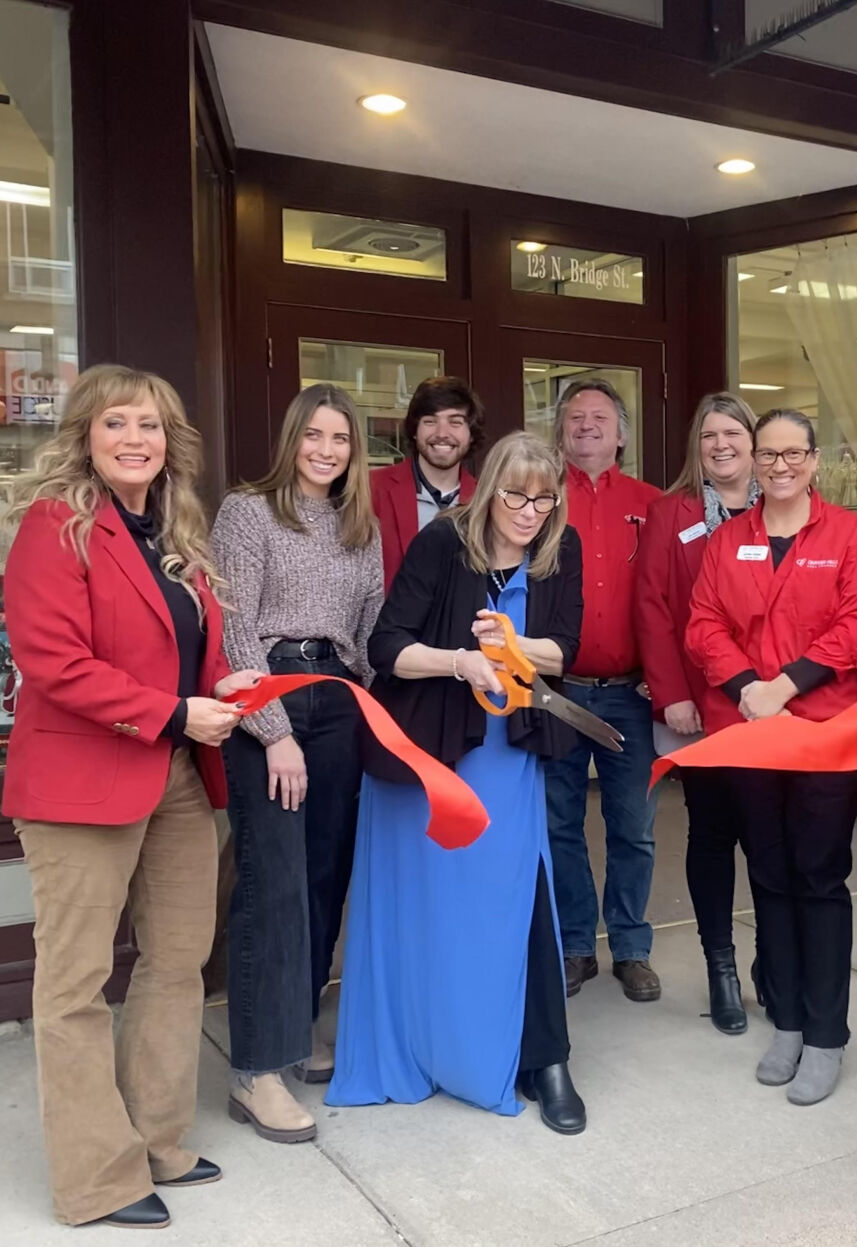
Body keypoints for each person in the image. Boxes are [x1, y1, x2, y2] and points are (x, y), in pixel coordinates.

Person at [3, 364, 262, 1230]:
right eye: (117, 423)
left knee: (177, 959)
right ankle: (95, 1179)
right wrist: (174, 711)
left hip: (177, 774)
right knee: (74, 984)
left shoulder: (176, 532)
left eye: (150, 425)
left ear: (169, 440)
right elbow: (55, 663)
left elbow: (190, 654)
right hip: (82, 779)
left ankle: (157, 1138)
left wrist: (235, 687)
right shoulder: (55, 525)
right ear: (86, 433)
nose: (134, 439)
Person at [328, 431, 589, 1134]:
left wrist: (510, 644)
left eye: (544, 498)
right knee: (434, 910)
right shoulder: (444, 542)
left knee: (516, 900)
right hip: (432, 757)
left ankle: (543, 1056)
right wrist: (463, 661)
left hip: (511, 753)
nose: (530, 511)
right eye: (516, 495)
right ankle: (431, 1044)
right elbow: (386, 648)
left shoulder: (559, 550)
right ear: (489, 487)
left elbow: (564, 650)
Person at [685, 409, 857, 1106]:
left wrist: (786, 684)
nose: (778, 465)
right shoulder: (728, 541)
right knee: (769, 873)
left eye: (791, 453)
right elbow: (703, 624)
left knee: (819, 875)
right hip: (751, 730)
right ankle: (790, 1020)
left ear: (813, 460)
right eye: (767, 454)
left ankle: (828, 1031)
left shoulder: (849, 535)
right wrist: (749, 689)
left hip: (824, 731)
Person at [211, 383, 385, 1144]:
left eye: (340, 438)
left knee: (323, 878)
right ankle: (255, 1070)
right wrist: (273, 728)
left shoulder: (360, 526)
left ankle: (297, 1026)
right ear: (293, 438)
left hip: (340, 701)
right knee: (274, 884)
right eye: (314, 434)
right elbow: (233, 625)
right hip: (272, 700)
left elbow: (373, 627)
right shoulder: (248, 512)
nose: (326, 449)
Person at [635, 392, 761, 1034]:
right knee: (713, 835)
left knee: (772, 838)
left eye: (732, 432)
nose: (721, 445)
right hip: (701, 708)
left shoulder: (784, 506)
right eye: (709, 435)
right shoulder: (671, 513)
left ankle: (775, 962)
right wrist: (671, 695)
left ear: (752, 440)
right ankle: (722, 969)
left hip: (774, 709)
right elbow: (654, 608)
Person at [544, 379, 663, 1002]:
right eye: (575, 417)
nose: (586, 425)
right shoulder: (538, 498)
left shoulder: (655, 504)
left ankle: (632, 947)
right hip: (556, 693)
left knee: (634, 828)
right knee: (559, 823)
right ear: (561, 430)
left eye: (599, 417)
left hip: (629, 696)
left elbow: (670, 599)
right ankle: (574, 946)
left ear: (620, 433)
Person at [372, 375, 482, 591]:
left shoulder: (486, 501)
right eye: (430, 421)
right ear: (414, 430)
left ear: (471, 434)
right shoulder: (372, 489)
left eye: (455, 422)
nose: (442, 434)